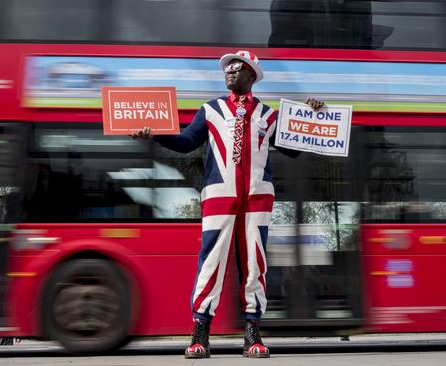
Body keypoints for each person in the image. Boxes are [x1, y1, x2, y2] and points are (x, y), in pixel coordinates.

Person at [132, 50, 324, 358]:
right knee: (211, 261)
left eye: (236, 68)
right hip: (219, 195)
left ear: (251, 75)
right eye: (227, 69)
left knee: (255, 265)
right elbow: (185, 142)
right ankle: (200, 334)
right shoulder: (210, 110)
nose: (228, 72)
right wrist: (155, 135)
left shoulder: (269, 115)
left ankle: (252, 334)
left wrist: (312, 115)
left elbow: (295, 151)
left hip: (258, 198)